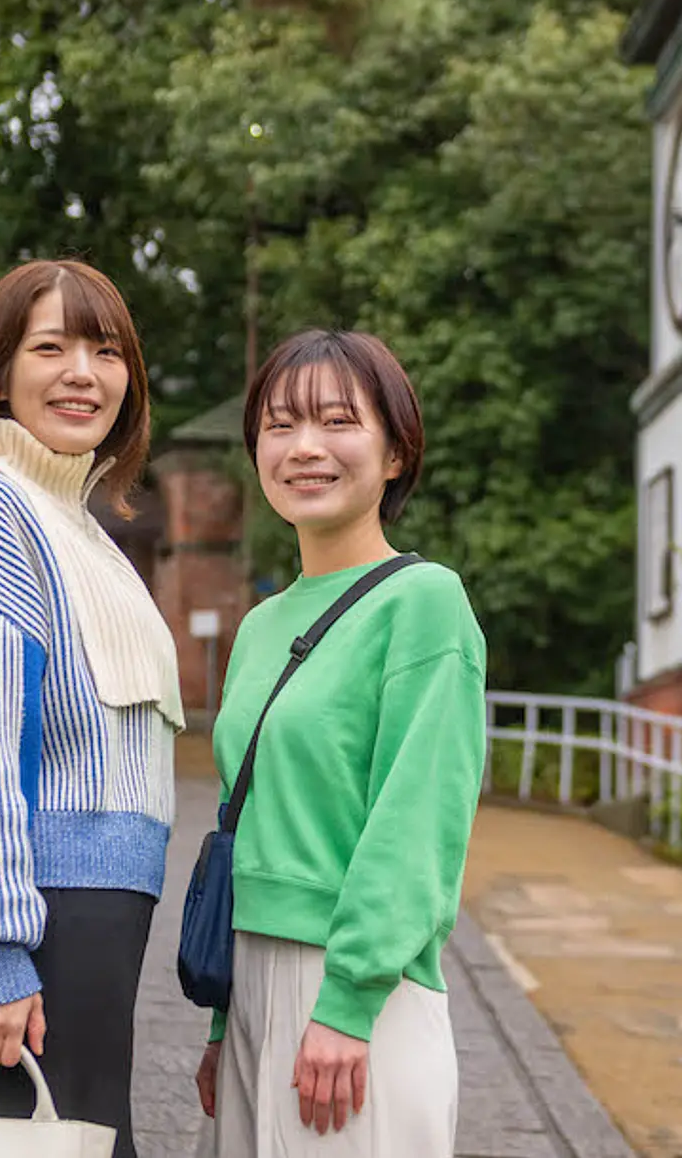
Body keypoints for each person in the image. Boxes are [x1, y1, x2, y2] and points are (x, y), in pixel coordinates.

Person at [0, 259, 185, 1158]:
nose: (81, 373)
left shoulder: (76, 521)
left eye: (105, 351)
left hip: (93, 912)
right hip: (42, 914)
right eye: (49, 347)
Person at [195, 329, 487, 1156]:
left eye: (337, 422)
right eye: (280, 425)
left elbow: (417, 822)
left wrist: (347, 1004)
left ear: (396, 453)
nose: (305, 447)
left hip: (357, 997)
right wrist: (225, 1013)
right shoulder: (259, 628)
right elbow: (243, 823)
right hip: (250, 984)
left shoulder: (424, 604)